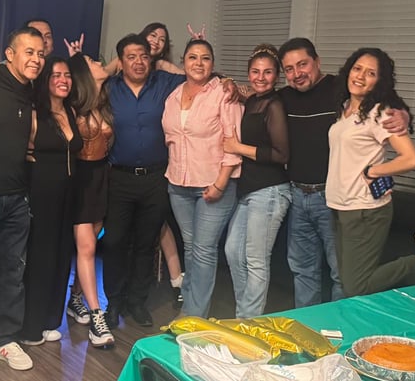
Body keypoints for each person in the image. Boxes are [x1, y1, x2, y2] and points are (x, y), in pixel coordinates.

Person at [278, 37, 410, 308]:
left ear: (317, 62)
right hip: (301, 195)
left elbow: (386, 105)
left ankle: (340, 326)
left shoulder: (338, 88)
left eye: (302, 64)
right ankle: (309, 323)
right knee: (303, 269)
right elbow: (255, 93)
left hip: (334, 198)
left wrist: (404, 115)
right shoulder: (288, 98)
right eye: (289, 69)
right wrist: (230, 85)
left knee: (343, 275)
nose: (296, 73)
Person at [327, 47, 415, 296]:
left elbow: (411, 159)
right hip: (341, 207)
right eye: (357, 69)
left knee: (357, 286)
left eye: (371, 73)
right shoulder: (345, 108)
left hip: (365, 209)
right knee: (347, 282)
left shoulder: (380, 113)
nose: (360, 76)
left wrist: (374, 171)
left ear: (379, 81)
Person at [102, 34, 188, 329]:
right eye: (131, 57)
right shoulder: (109, 87)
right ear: (121, 62)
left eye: (143, 56)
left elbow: (198, 77)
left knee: (146, 242)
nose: (138, 62)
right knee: (114, 241)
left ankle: (137, 301)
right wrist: (108, 68)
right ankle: (113, 301)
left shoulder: (163, 83)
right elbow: (86, 78)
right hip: (119, 177)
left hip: (156, 177)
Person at [162, 39, 242, 318]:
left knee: (204, 250)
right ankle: (190, 305)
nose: (198, 63)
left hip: (213, 185)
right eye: (193, 57)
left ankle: (193, 317)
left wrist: (220, 183)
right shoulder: (173, 96)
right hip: (178, 185)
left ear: (213, 64)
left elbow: (233, 143)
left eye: (205, 58)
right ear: (183, 62)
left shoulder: (223, 93)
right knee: (190, 247)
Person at [0, 27, 45, 371]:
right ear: (9, 54)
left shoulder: (31, 87)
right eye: (29, 52)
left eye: (40, 53)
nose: (36, 59)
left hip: (18, 197)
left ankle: (4, 339)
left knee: (13, 271)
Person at [223, 44, 290, 318]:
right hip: (248, 189)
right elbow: (227, 85)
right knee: (232, 251)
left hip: (271, 190)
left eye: (267, 72)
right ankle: (246, 314)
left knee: (256, 260)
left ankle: (248, 321)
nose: (260, 77)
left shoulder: (275, 105)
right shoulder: (251, 101)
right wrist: (228, 82)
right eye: (255, 72)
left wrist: (237, 148)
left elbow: (281, 154)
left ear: (277, 76)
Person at [20, 57, 83, 345]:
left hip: (70, 196)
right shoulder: (35, 114)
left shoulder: (71, 111)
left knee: (62, 256)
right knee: (40, 259)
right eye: (56, 75)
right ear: (45, 80)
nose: (63, 80)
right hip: (42, 195)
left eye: (67, 75)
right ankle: (31, 326)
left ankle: (51, 320)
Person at [65, 52, 115, 346]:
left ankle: (75, 298)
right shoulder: (73, 106)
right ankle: (98, 318)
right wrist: (75, 61)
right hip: (80, 180)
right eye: (93, 62)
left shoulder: (103, 102)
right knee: (87, 247)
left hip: (101, 177)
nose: (101, 64)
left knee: (93, 239)